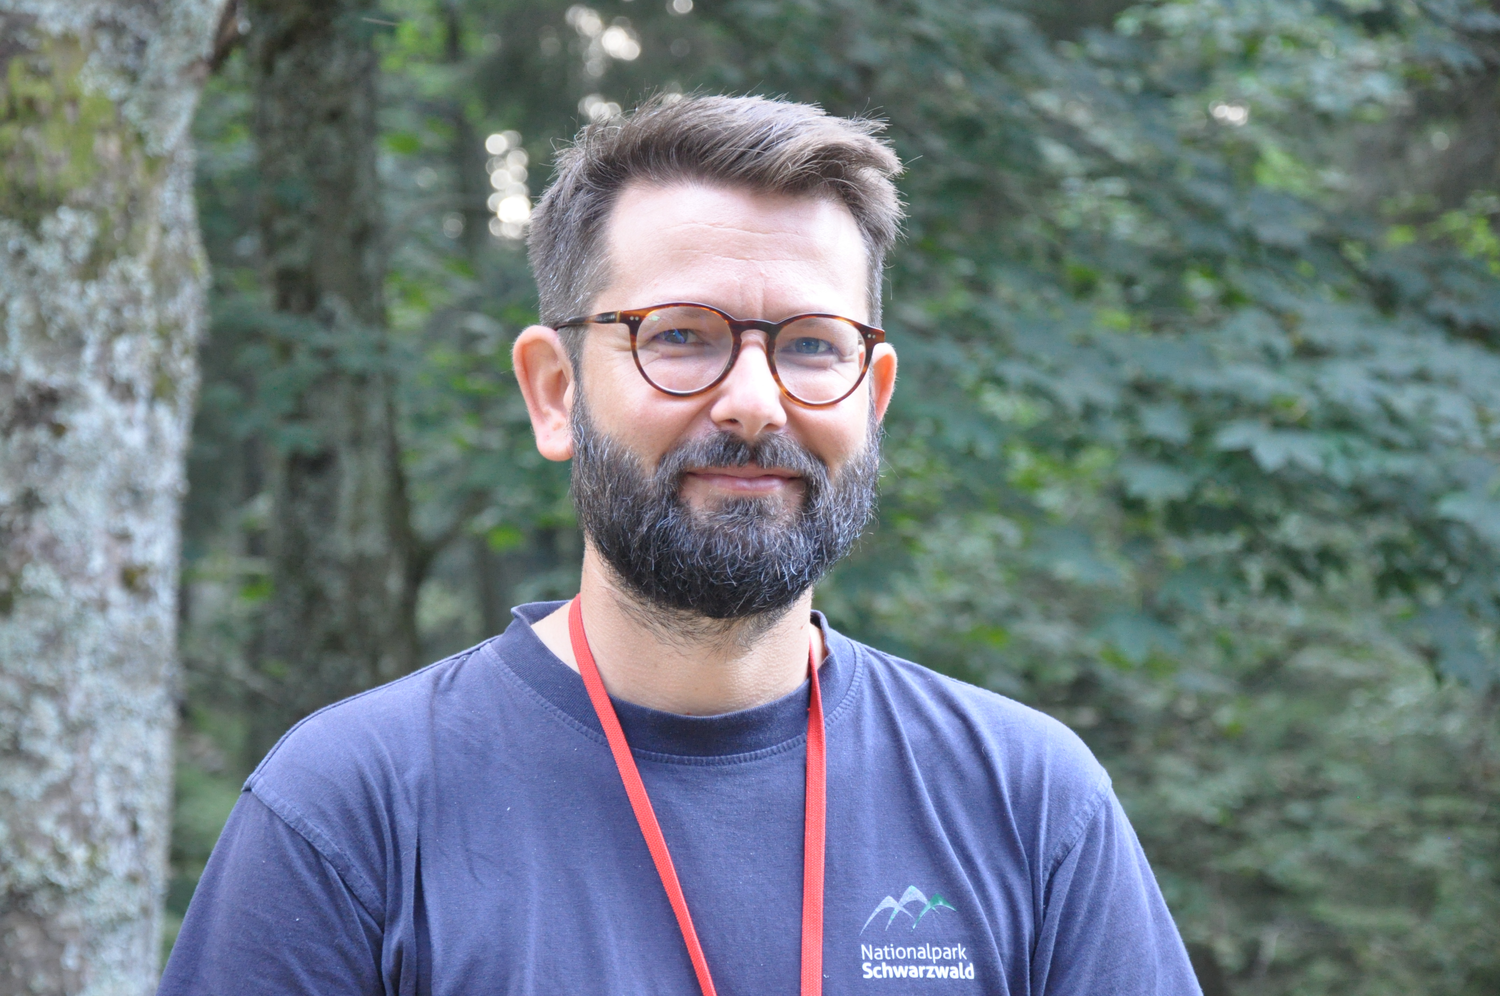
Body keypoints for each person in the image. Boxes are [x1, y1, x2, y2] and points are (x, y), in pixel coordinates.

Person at [159, 94, 1201, 995]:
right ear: (556, 392)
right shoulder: (352, 809)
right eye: (681, 337)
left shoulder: (1028, 801)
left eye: (812, 345)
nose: (755, 402)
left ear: (872, 398)